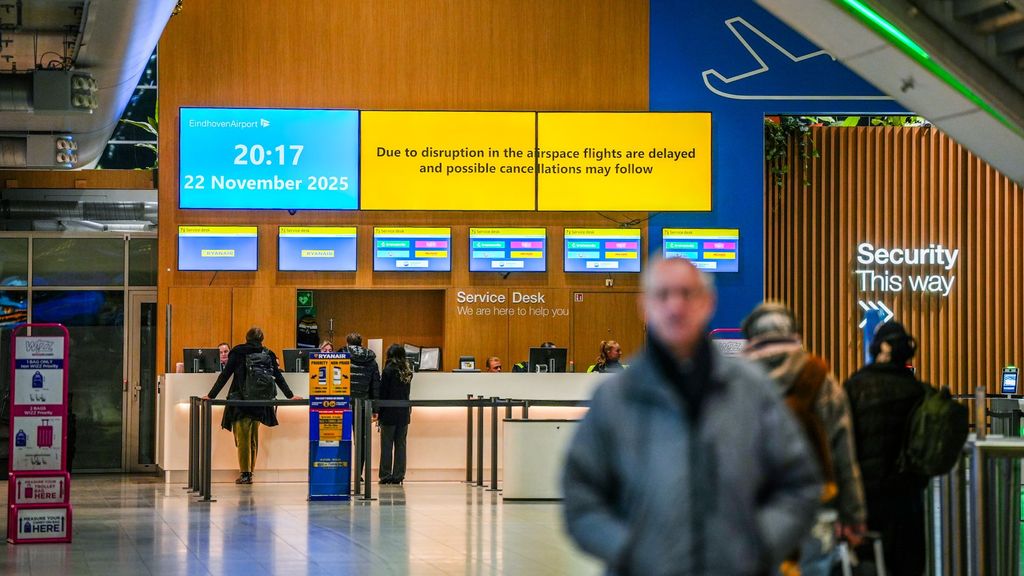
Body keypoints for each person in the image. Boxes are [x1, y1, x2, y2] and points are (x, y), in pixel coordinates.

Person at [562, 257, 821, 575]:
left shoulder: (752, 391)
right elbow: (580, 494)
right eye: (663, 295)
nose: (675, 306)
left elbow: (799, 483)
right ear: (644, 307)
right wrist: (626, 550)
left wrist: (758, 545)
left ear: (708, 303)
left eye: (687, 293)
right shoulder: (615, 398)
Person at [742, 302, 866, 576]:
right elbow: (843, 450)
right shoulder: (820, 378)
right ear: (794, 333)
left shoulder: (734, 380)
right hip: (814, 508)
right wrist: (853, 515)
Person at [844, 321, 928, 576]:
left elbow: (843, 445)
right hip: (907, 498)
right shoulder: (917, 391)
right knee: (906, 563)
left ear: (880, 347)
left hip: (865, 497)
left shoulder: (855, 386)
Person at [204, 327, 302, 485]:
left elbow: (225, 375)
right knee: (253, 437)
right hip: (259, 402)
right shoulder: (268, 353)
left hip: (240, 401)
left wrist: (211, 395)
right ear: (262, 339)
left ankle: (245, 473)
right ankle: (251, 472)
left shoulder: (238, 352)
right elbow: (277, 376)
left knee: (242, 438)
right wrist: (290, 395)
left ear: (246, 337)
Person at [343, 332, 381, 483]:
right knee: (362, 442)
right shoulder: (371, 361)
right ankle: (358, 474)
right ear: (361, 344)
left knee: (341, 440)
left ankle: (341, 472)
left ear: (347, 343)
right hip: (364, 406)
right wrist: (376, 409)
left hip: (343, 405)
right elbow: (375, 387)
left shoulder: (342, 356)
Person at [378, 343, 412, 485]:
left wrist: (378, 412)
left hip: (389, 412)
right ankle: (398, 475)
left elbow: (383, 393)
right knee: (401, 445)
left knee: (387, 445)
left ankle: (385, 475)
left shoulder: (388, 371)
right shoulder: (407, 371)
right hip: (403, 412)